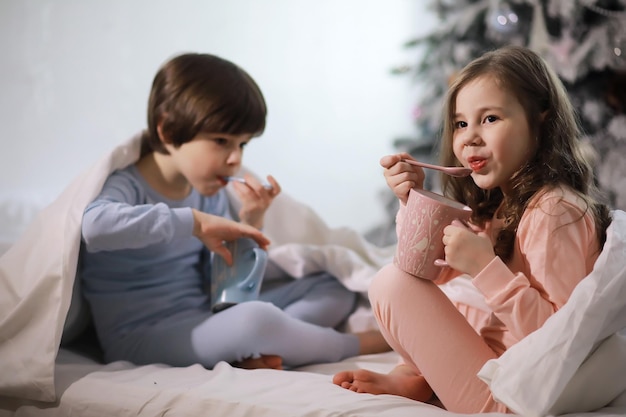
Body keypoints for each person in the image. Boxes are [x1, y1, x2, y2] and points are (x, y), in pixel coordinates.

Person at [332, 45, 612, 413]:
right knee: (411, 284)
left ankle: (426, 378)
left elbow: (561, 341)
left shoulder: (555, 211)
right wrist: (411, 199)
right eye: (461, 123)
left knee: (392, 284)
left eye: (490, 118)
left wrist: (484, 269)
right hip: (497, 366)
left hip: (515, 394)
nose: (470, 137)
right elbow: (426, 269)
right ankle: (421, 376)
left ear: (541, 119)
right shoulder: (502, 202)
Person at [79, 52, 389, 371]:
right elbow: (94, 226)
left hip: (203, 317)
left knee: (331, 285)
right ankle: (345, 345)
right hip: (140, 338)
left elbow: (228, 292)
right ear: (168, 132)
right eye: (221, 141)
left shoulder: (206, 191)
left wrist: (250, 222)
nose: (234, 159)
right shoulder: (127, 184)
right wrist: (195, 222)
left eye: (242, 145)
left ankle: (264, 351)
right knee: (254, 321)